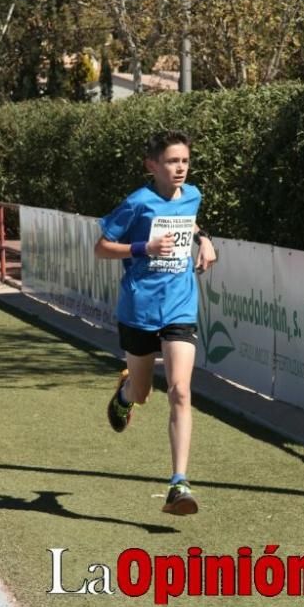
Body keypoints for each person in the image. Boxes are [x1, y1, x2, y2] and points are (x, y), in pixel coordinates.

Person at [93, 130, 217, 516]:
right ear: (153, 166)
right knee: (145, 392)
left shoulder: (193, 194)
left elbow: (190, 220)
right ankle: (126, 392)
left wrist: (205, 240)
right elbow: (100, 247)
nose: (179, 168)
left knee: (180, 391)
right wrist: (142, 248)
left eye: (184, 160)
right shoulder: (137, 203)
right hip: (139, 310)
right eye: (171, 162)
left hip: (180, 307)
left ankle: (178, 483)